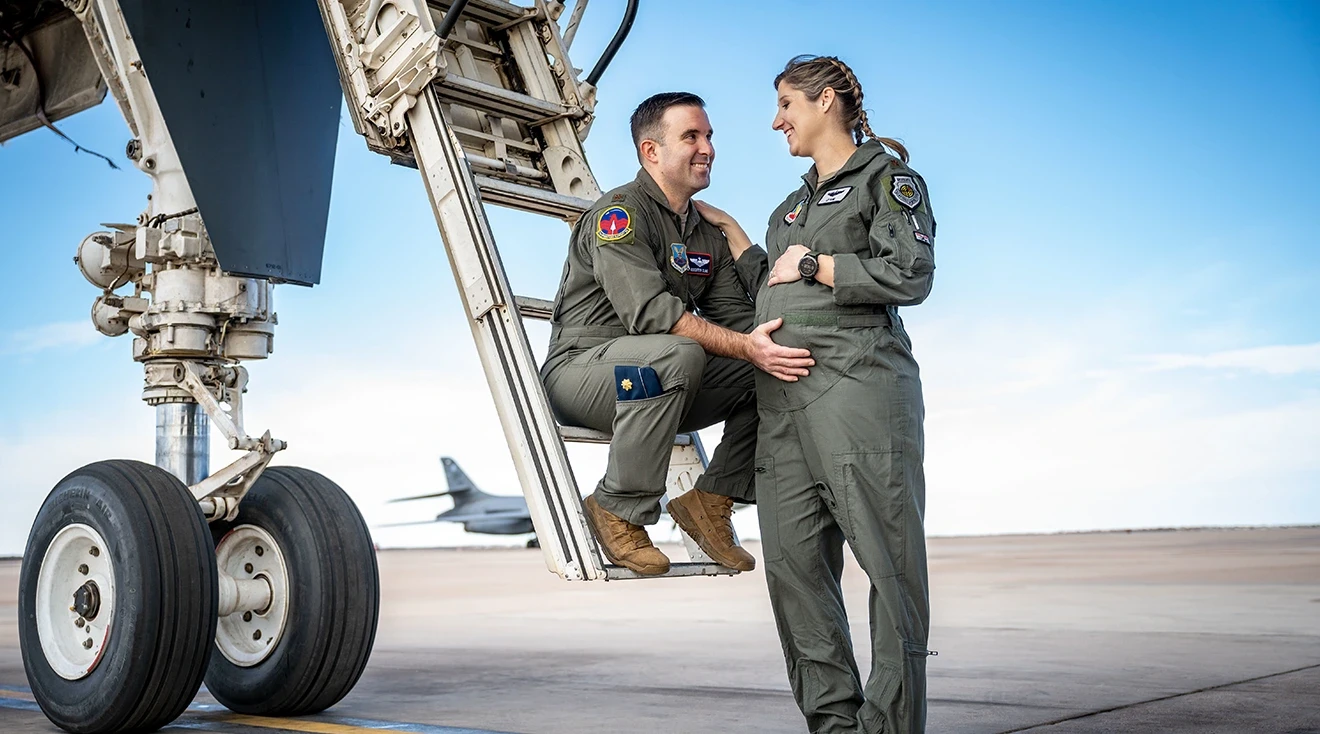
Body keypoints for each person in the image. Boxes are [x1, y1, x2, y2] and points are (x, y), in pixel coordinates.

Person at [696, 56, 937, 733]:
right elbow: (770, 287)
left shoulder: (888, 181)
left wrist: (817, 262)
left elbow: (910, 272)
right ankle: (834, 727)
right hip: (781, 403)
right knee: (795, 572)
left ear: (825, 100)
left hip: (858, 390)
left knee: (891, 573)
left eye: (786, 105)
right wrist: (740, 239)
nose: (777, 120)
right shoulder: (789, 209)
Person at [541, 92, 814, 576]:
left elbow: (736, 321)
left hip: (661, 381)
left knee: (778, 368)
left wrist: (774, 341)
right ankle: (616, 506)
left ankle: (712, 500)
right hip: (583, 373)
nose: (706, 147)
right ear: (651, 152)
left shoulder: (705, 232)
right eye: (691, 136)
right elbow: (653, 314)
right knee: (678, 351)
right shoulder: (620, 214)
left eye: (708, 136)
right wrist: (745, 346)